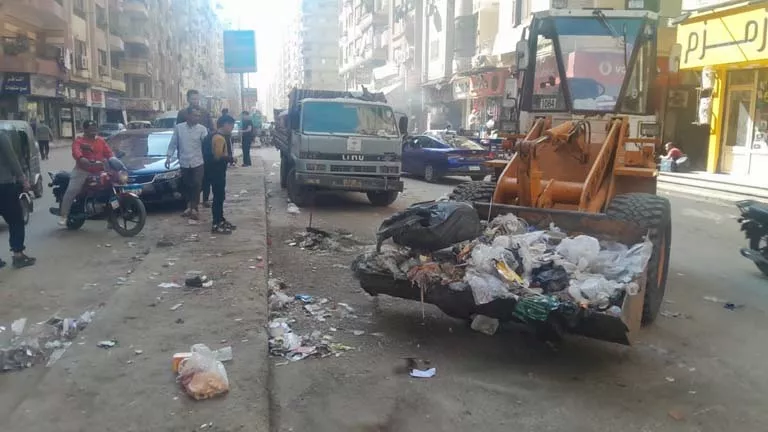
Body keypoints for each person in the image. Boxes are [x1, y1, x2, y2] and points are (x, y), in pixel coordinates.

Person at [59, 121, 114, 227]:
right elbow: (76, 151)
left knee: (111, 188)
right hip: (82, 170)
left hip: (99, 171)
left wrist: (113, 159)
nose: (93, 130)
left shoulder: (101, 141)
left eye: (94, 127)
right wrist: (81, 158)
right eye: (90, 128)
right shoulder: (79, 141)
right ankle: (64, 216)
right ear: (85, 130)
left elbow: (109, 153)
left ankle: (111, 218)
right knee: (72, 190)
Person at [0, 131, 36, 268]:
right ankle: (18, 255)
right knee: (16, 220)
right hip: (4, 185)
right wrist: (23, 179)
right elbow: (12, 159)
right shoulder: (1, 136)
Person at [167, 106, 208, 221]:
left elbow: (206, 144)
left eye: (198, 116)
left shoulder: (202, 129)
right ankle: (189, 206)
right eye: (195, 115)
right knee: (187, 185)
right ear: (188, 116)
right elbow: (173, 143)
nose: (197, 118)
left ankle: (194, 208)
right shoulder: (179, 128)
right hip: (184, 161)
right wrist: (168, 157)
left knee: (197, 184)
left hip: (198, 161)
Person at [203, 115, 237, 234]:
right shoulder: (218, 138)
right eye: (231, 125)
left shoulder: (213, 135)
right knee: (218, 197)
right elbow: (218, 156)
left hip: (212, 170)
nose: (232, 128)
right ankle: (216, 223)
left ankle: (221, 220)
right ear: (225, 124)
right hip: (215, 171)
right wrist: (231, 159)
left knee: (220, 196)